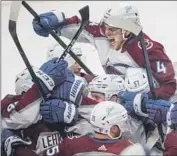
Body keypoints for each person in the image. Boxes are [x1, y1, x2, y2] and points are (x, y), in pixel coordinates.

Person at [32, 2, 176, 100]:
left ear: (127, 30)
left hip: (145, 109)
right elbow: (80, 25)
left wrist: (143, 100)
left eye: (112, 29)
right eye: (105, 27)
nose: (106, 33)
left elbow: (170, 86)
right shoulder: (102, 33)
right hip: (117, 102)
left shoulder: (149, 50)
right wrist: (55, 23)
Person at [1, 59, 86, 156]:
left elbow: (94, 129)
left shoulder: (57, 107)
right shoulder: (9, 103)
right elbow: (17, 119)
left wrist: (72, 115)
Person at [2, 101, 134, 156]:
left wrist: (17, 149)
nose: (125, 126)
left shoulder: (73, 143)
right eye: (122, 123)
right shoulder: (129, 147)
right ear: (113, 128)